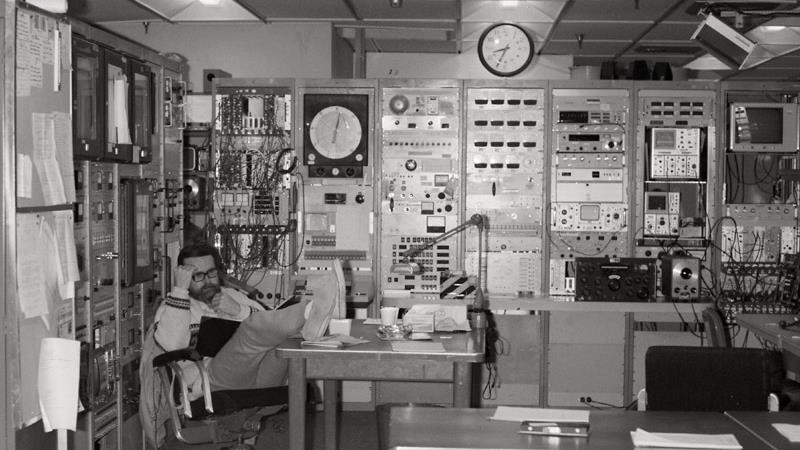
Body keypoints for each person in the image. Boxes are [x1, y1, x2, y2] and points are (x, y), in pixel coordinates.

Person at [140, 243, 338, 446]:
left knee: (285, 340)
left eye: (211, 273)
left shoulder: (232, 295)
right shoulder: (172, 305)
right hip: (209, 382)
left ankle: (306, 324)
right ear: (184, 278)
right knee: (250, 330)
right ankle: (307, 313)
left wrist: (238, 310)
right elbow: (172, 345)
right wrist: (180, 290)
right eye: (197, 276)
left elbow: (270, 324)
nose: (207, 281)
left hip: (259, 376)